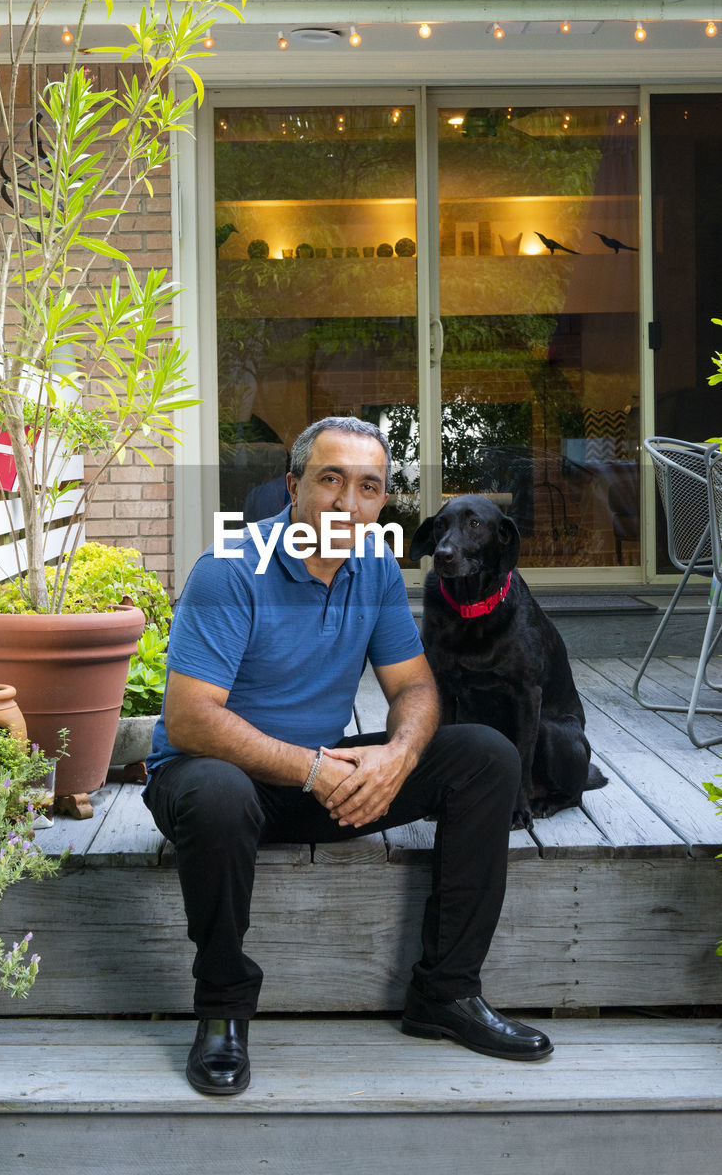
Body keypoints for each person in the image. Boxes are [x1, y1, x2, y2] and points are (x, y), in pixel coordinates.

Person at [143, 416, 552, 1096]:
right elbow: (189, 721)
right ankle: (222, 1012)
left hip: (320, 778)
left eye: (368, 487)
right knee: (218, 791)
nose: (347, 502)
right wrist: (309, 767)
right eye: (330, 479)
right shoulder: (229, 571)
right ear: (293, 486)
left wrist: (396, 755)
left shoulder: (376, 571)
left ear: (382, 501)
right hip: (210, 785)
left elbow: (416, 687)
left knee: (486, 755)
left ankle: (445, 995)